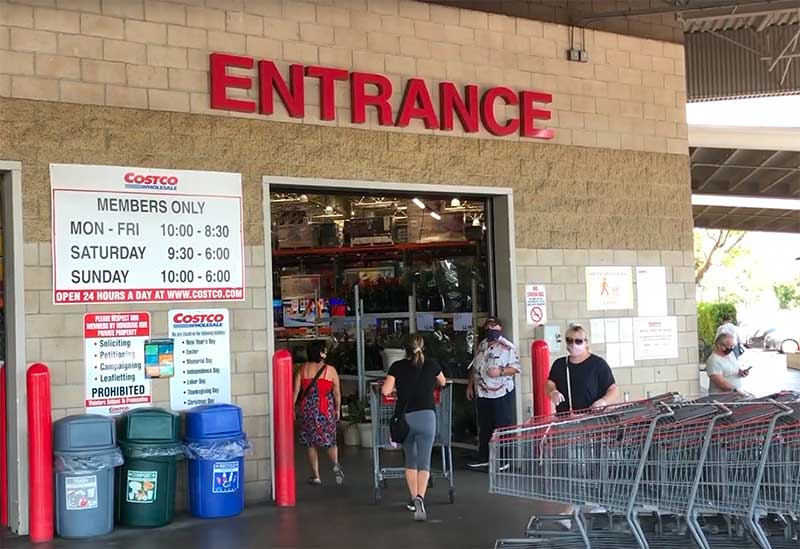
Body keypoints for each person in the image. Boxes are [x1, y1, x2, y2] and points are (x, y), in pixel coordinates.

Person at [382, 334, 446, 522]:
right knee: (424, 461)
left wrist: (397, 388)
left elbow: (386, 390)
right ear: (422, 347)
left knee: (411, 460)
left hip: (406, 418)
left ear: (405, 350)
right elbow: (442, 382)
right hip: (427, 416)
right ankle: (421, 497)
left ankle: (412, 498)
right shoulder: (432, 364)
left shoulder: (397, 367)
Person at [466, 317, 521, 470]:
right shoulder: (482, 345)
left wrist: (500, 371)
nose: (491, 329)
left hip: (501, 393)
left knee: (503, 426)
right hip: (482, 393)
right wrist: (470, 386)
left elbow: (516, 368)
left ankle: (505, 460)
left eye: (494, 327)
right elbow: (475, 367)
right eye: (489, 327)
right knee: (484, 426)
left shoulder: (507, 347)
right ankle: (484, 457)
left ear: (500, 328)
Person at [292, 340, 344, 486]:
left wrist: (291, 409)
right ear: (319, 352)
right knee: (330, 440)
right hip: (325, 408)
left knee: (311, 443)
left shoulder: (303, 369)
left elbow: (295, 392)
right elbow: (337, 393)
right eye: (324, 350)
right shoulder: (331, 370)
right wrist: (337, 409)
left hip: (308, 409)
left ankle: (316, 475)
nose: (326, 352)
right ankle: (335, 463)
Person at [546, 324, 619, 412]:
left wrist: (603, 402)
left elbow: (613, 390)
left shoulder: (598, 364)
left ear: (586, 342)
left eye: (578, 341)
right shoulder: (559, 364)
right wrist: (553, 392)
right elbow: (549, 384)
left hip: (591, 418)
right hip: (565, 419)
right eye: (569, 340)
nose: (573, 344)